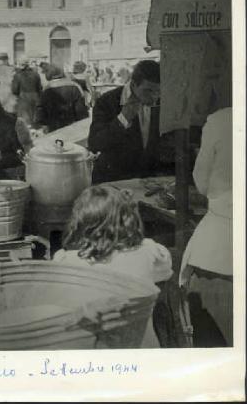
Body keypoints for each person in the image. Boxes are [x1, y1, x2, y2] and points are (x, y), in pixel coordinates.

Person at [53, 185, 173, 348]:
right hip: (142, 348)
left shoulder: (64, 260)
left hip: (91, 353)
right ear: (127, 218)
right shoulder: (149, 251)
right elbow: (165, 272)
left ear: (79, 222)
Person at [180, 107, 232, 346]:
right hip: (220, 252)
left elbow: (202, 182)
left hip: (220, 253)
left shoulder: (221, 120)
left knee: (212, 351)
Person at [88, 60, 170, 184]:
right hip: (112, 181)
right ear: (133, 85)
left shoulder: (162, 101)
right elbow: (95, 144)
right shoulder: (107, 101)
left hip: (146, 180)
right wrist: (123, 119)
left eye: (158, 91)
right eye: (148, 91)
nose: (155, 97)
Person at [37, 64, 88, 132]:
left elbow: (42, 108)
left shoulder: (47, 89)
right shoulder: (74, 86)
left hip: (54, 124)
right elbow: (80, 108)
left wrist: (44, 123)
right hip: (72, 123)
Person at [11, 58, 42, 127]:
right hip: (35, 98)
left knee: (25, 122)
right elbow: (40, 88)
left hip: (23, 99)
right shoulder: (36, 74)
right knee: (34, 121)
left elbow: (14, 90)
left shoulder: (17, 75)